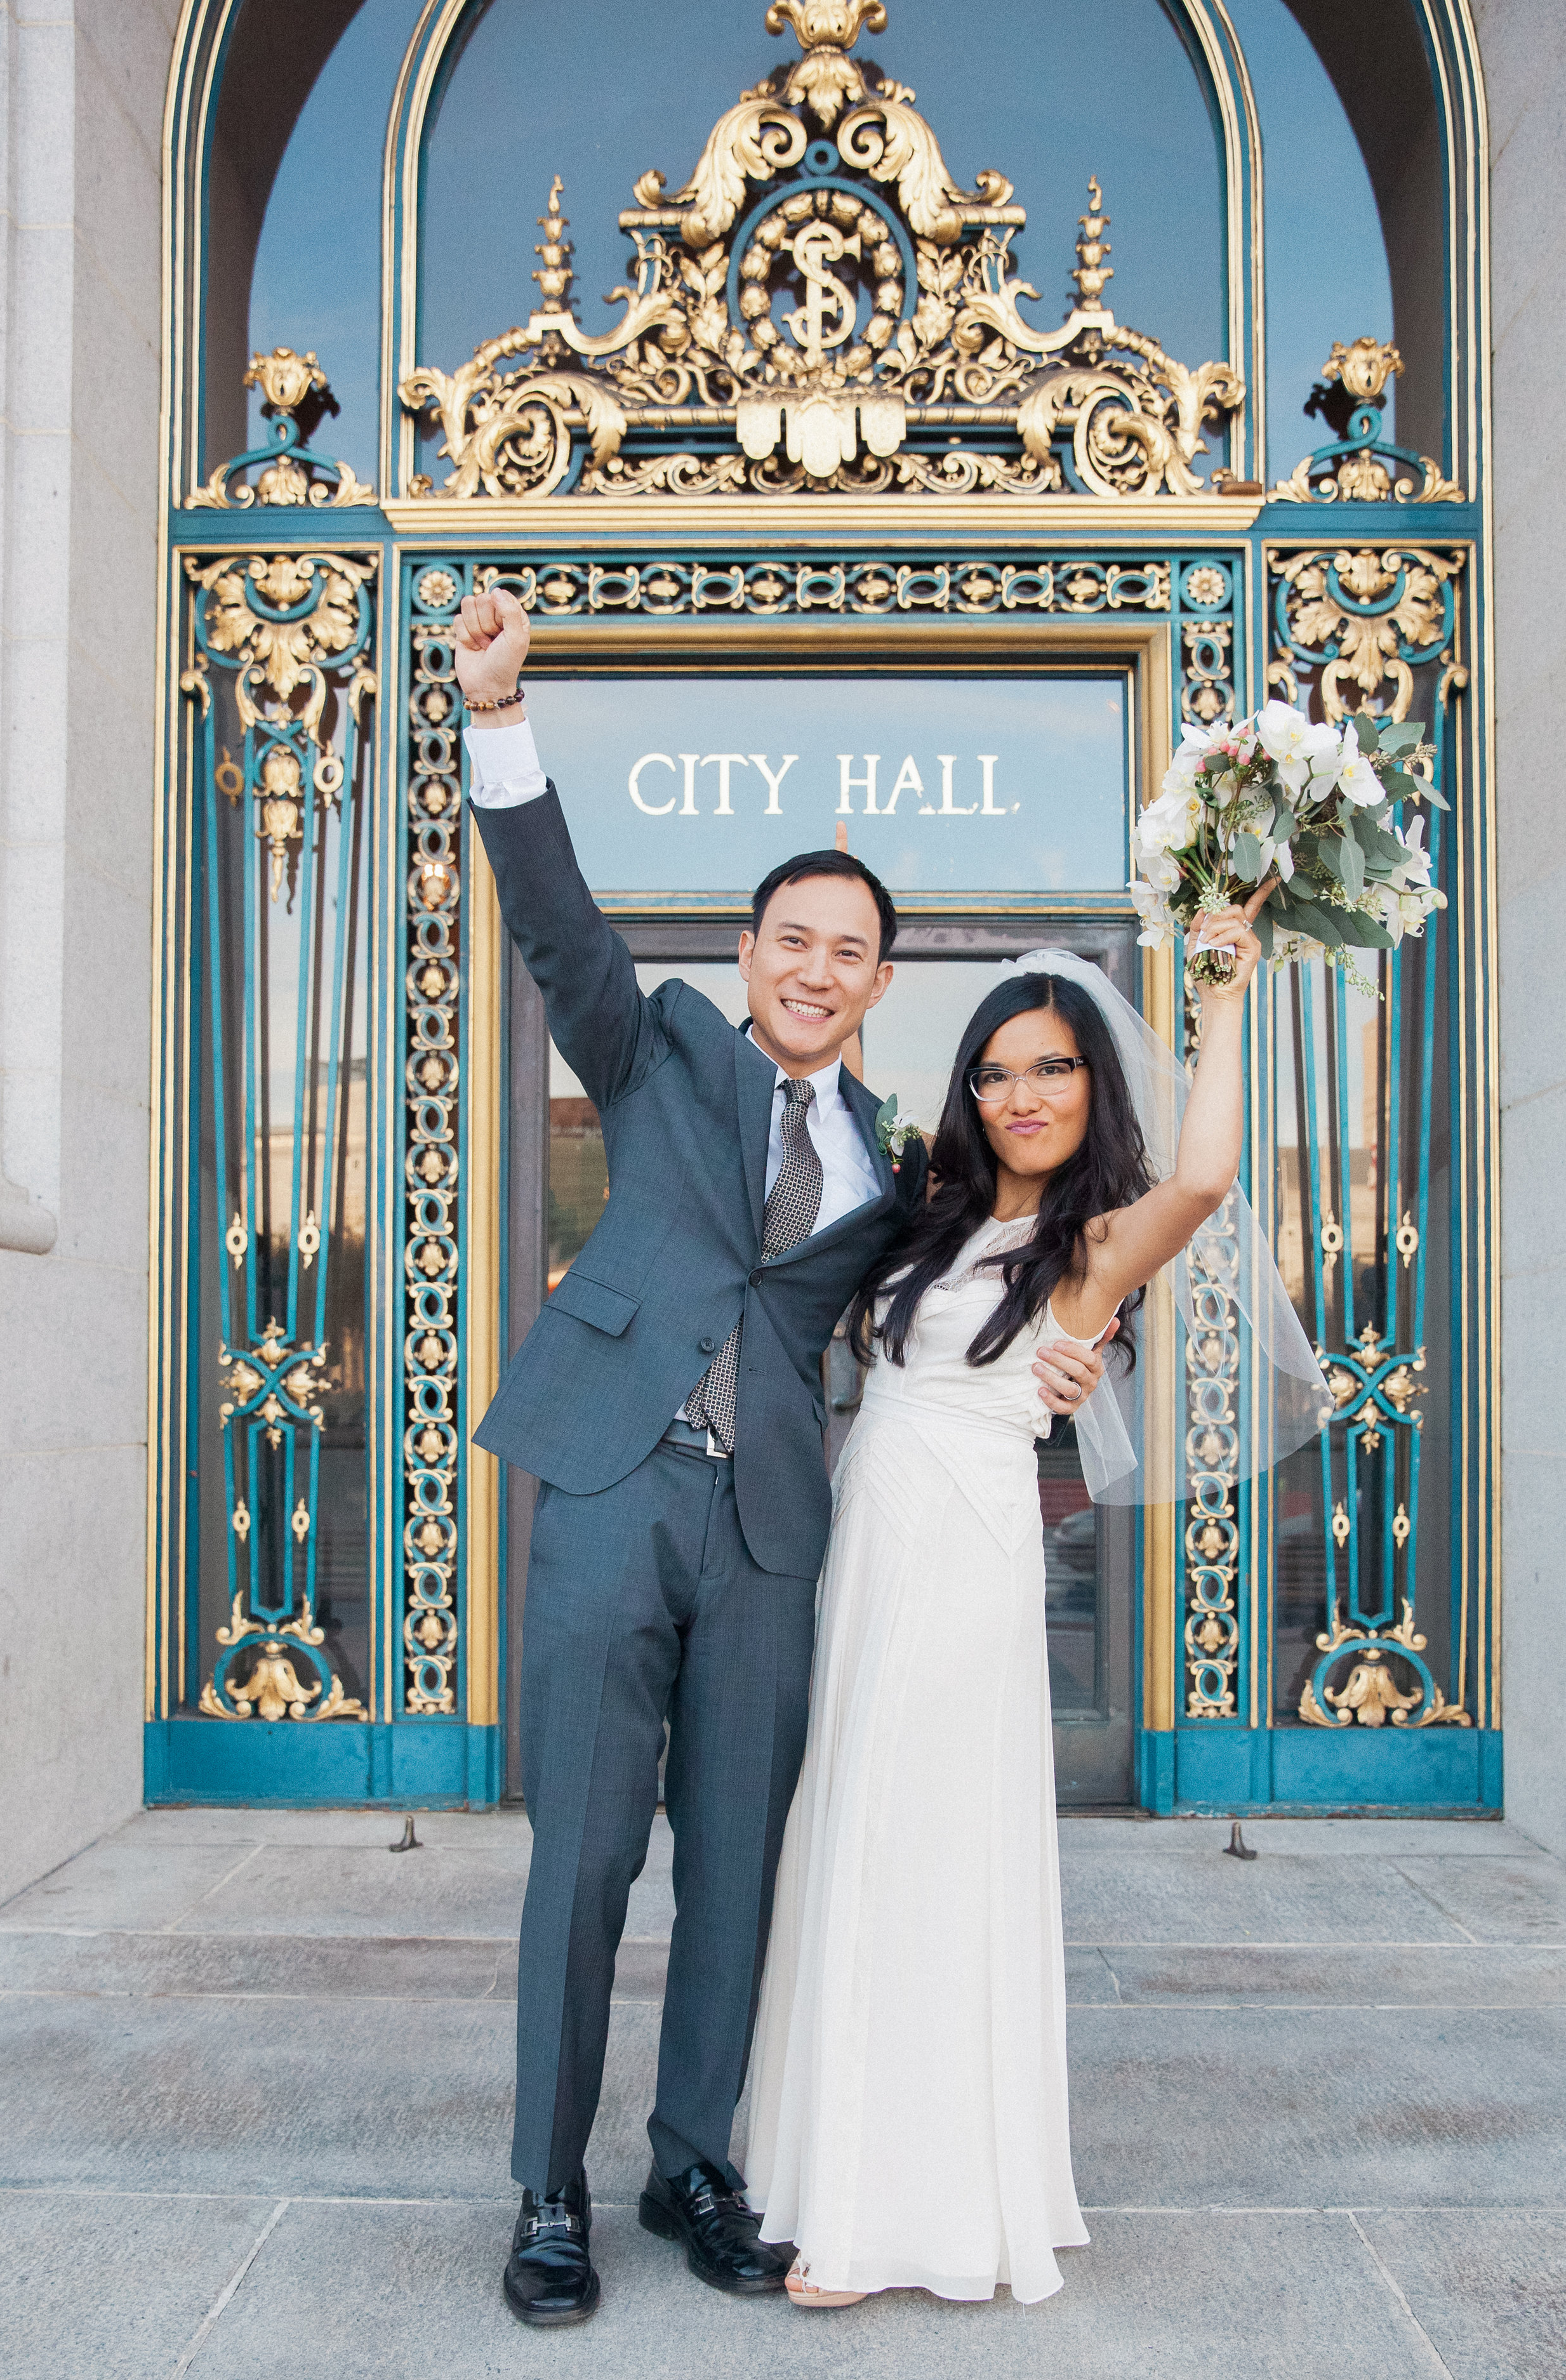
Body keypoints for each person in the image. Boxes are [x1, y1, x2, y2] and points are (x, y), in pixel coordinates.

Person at [451, 586, 1110, 2327]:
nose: (816, 969)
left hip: (767, 1534)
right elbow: (554, 923)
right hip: (608, 1489)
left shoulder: (901, 1171)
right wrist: (499, 711)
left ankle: (688, 2163)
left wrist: (1066, 1337)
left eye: (848, 951)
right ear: (751, 956)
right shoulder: (655, 1044)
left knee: (736, 1859)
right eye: (790, 939)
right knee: (586, 1856)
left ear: (880, 982)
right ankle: (545, 2187)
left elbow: (975, 1282)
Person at [746, 897, 1313, 2308]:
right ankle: (826, 2165)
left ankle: (897, 2218)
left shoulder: (1093, 1244)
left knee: (918, 1850)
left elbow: (1200, 1181)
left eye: (1053, 1069)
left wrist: (1225, 996)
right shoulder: (923, 1213)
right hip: (866, 1548)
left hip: (963, 1557)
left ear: (1090, 1086)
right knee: (850, 1832)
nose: (1021, 1094)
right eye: (998, 1070)